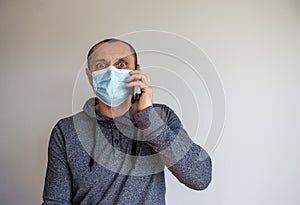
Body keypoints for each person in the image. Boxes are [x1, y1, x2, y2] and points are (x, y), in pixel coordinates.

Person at [42, 38, 212, 205]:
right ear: (90, 76)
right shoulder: (66, 130)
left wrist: (148, 118)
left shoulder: (161, 116)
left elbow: (200, 178)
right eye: (101, 65)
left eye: (121, 65)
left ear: (137, 71)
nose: (111, 72)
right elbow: (55, 201)